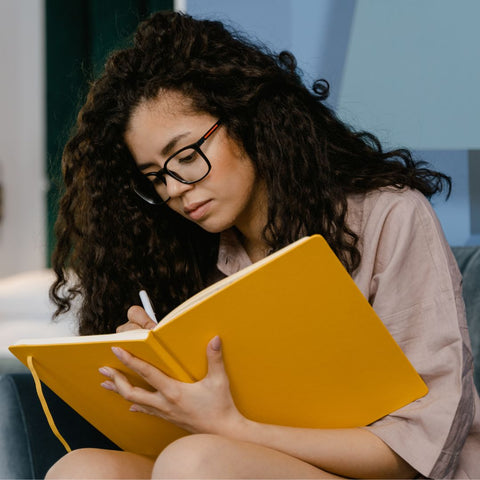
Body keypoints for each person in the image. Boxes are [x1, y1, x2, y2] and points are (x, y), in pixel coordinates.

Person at [45, 10, 480, 480]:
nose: (174, 189)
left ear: (248, 119)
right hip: (244, 462)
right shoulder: (183, 253)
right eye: (154, 178)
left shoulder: (390, 215)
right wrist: (155, 373)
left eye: (187, 156)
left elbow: (415, 453)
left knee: (195, 463)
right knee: (82, 469)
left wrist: (228, 426)